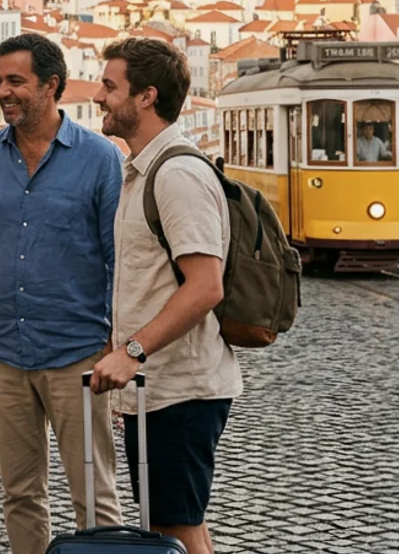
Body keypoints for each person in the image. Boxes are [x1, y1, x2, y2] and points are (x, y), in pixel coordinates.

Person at [0, 33, 124, 554]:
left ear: (52, 86)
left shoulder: (99, 159)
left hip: (78, 355)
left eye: (15, 81)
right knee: (20, 493)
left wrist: (118, 346)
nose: (3, 91)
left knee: (94, 495)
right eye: (0, 81)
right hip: (2, 350)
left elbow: (119, 261)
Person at [90, 37, 240, 554]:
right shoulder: (145, 171)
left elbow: (205, 286)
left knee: (174, 529)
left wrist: (131, 353)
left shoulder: (176, 175)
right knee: (173, 527)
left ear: (147, 96)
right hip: (160, 389)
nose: (98, 96)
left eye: (110, 86)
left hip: (181, 389)